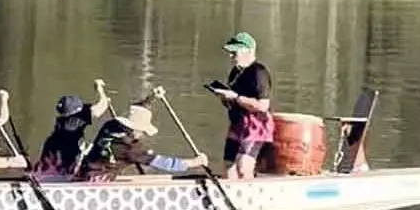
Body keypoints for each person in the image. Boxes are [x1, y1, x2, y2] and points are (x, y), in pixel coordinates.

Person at [78, 101, 208, 181]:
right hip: (99, 181)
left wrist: (150, 98)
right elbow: (163, 163)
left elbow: (140, 105)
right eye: (142, 131)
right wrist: (194, 162)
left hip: (84, 171)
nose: (142, 135)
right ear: (135, 129)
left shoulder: (110, 125)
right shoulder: (131, 148)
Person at [212, 32, 273, 180]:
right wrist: (225, 98)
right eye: (230, 53)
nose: (231, 56)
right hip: (237, 123)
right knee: (228, 165)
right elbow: (233, 101)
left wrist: (236, 97)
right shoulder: (235, 72)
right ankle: (230, 196)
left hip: (256, 126)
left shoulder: (259, 73)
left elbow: (263, 105)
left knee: (243, 167)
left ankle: (251, 195)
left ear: (249, 51)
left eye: (235, 53)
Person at [35, 79, 111, 180]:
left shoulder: (62, 121)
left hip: (52, 152)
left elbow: (94, 108)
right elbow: (101, 107)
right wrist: (100, 89)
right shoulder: (76, 120)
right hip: (64, 156)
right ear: (77, 111)